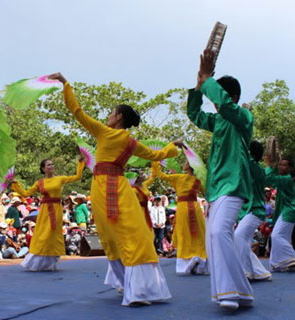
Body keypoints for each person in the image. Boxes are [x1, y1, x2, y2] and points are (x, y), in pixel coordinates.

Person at [48, 72, 179, 306]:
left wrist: (66, 84)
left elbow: (77, 112)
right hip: (117, 188)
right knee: (124, 234)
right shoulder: (131, 142)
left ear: (118, 117)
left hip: (103, 189)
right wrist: (173, 147)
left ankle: (135, 289)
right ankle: (136, 286)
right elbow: (158, 155)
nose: (108, 116)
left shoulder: (104, 132)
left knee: (114, 236)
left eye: (111, 113)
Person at [186, 49, 254, 310]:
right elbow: (195, 115)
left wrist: (207, 78)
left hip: (234, 184)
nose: (215, 103)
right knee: (213, 239)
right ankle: (244, 293)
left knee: (218, 232)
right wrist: (199, 84)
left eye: (218, 97)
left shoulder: (242, 118)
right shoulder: (218, 122)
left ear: (233, 97)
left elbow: (224, 104)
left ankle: (229, 292)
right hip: (216, 189)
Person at [11, 157, 85, 271]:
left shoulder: (60, 179)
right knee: (43, 234)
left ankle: (50, 262)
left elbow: (77, 177)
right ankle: (36, 262)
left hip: (56, 209)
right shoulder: (39, 182)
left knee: (53, 234)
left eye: (52, 164)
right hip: (45, 210)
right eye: (48, 165)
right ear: (43, 169)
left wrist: (80, 163)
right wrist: (15, 185)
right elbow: (26, 194)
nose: (51, 166)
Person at [152, 160, 207, 275]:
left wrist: (156, 161)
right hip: (195, 208)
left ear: (189, 166)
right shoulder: (197, 181)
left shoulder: (179, 177)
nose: (184, 163)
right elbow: (207, 193)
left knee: (183, 233)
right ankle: (200, 259)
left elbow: (161, 175)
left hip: (183, 208)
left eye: (186, 162)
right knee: (199, 233)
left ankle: (185, 263)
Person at [234, 141, 272, 281]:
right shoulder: (258, 168)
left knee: (239, 237)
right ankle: (260, 272)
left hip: (254, 211)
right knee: (241, 241)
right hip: (250, 211)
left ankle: (246, 272)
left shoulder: (251, 166)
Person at [266, 157, 295, 272]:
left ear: (290, 168)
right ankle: (278, 263)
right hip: (288, 210)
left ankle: (291, 257)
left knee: (276, 236)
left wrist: (269, 166)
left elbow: (269, 179)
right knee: (284, 237)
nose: (280, 167)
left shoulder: (286, 179)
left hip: (290, 211)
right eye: (280, 164)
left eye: (284, 165)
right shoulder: (286, 179)